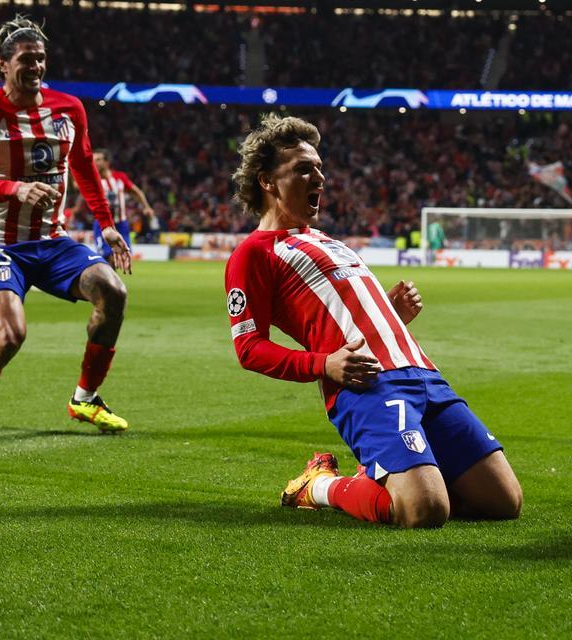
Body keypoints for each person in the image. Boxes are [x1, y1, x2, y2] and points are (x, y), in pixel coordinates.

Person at [224, 113, 522, 528]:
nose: (320, 178)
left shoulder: (330, 242)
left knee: (504, 502)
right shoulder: (253, 253)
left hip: (424, 375)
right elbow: (249, 349)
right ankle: (319, 485)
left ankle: (401, 478)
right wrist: (324, 365)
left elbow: (348, 316)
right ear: (267, 181)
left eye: (320, 168)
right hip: (367, 385)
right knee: (425, 511)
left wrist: (392, 314)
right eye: (304, 169)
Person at [0, 16, 132, 434]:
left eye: (41, 59)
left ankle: (84, 398)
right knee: (9, 338)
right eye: (26, 60)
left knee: (112, 290)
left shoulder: (69, 108)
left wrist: (105, 225)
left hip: (52, 241)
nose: (35, 67)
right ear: (2, 63)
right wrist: (15, 190)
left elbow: (85, 167)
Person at [88, 149, 155, 261]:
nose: (95, 162)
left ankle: (111, 277)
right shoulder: (92, 179)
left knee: (124, 255)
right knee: (108, 257)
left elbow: (136, 192)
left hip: (121, 223)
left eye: (98, 159)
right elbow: (76, 186)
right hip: (102, 224)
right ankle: (110, 278)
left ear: (107, 162)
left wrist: (146, 207)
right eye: (93, 160)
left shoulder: (120, 177)